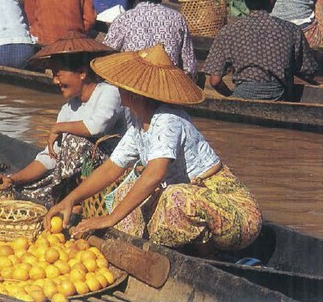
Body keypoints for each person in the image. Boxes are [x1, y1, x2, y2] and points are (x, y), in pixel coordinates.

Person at [45, 44, 262, 253]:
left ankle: (207, 253)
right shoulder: (140, 124)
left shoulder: (167, 119)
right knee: (126, 197)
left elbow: (154, 174)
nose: (116, 88)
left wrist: (109, 218)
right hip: (197, 200)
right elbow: (112, 167)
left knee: (174, 197)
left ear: (134, 92)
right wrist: (70, 199)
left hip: (238, 217)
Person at [0, 34, 129, 209]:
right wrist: (12, 178)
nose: (55, 80)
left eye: (58, 74)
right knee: (20, 192)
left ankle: (69, 198)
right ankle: (62, 196)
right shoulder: (68, 108)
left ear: (82, 73)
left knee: (76, 140)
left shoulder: (108, 92)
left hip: (110, 171)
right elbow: (49, 157)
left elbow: (96, 126)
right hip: (70, 175)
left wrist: (58, 128)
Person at [201, 0, 318, 101]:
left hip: (242, 98)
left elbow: (214, 81)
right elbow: (308, 70)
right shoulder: (291, 30)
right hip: (279, 98)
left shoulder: (228, 31)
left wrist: (231, 97)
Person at [103, 0, 198, 79]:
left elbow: (105, 56)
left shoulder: (124, 19)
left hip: (132, 85)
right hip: (167, 86)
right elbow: (190, 67)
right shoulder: (177, 19)